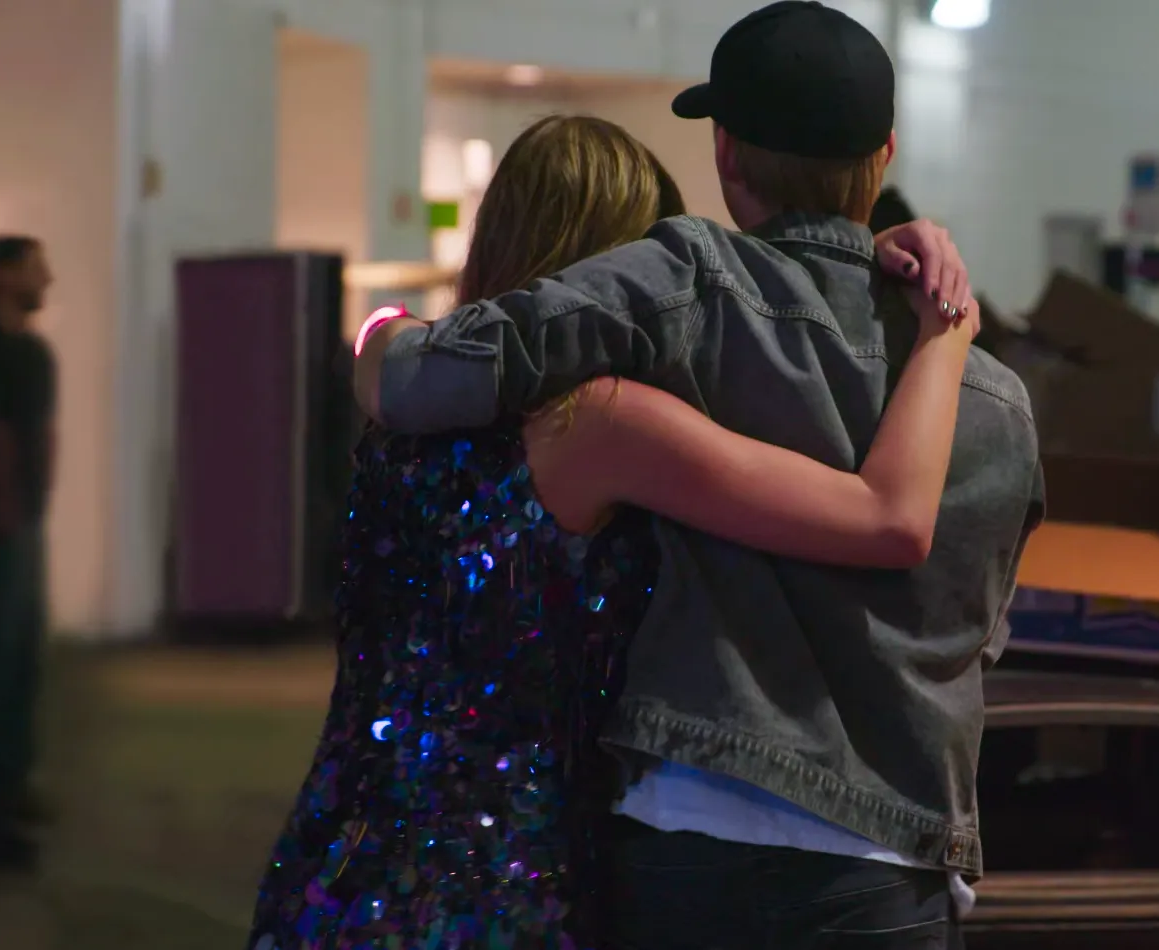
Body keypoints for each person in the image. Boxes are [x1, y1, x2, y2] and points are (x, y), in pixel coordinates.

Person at [356, 3, 1044, 946]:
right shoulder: (994, 399)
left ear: (726, 155)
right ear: (884, 154)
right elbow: (981, 630)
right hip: (894, 858)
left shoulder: (683, 297)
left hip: (696, 824)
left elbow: (443, 370)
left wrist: (379, 334)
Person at [246, 114, 979, 950]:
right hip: (510, 880)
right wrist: (944, 333)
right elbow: (885, 517)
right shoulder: (601, 424)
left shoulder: (399, 394)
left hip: (347, 854)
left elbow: (383, 341)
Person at [0, 234, 57, 871]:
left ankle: (10, 783)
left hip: (23, 521)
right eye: (36, 270)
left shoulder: (32, 350)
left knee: (22, 657)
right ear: (3, 277)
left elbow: (38, 429)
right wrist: (8, 508)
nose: (47, 280)